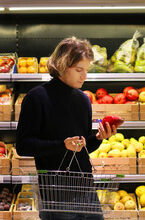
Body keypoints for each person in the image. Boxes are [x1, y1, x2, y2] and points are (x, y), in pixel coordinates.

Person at [16, 36, 117, 220]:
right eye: (79, 70)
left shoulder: (83, 99)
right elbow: (24, 146)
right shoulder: (36, 98)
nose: (84, 76)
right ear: (62, 65)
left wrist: (99, 138)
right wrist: (62, 145)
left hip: (87, 192)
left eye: (86, 70)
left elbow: (83, 148)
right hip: (56, 197)